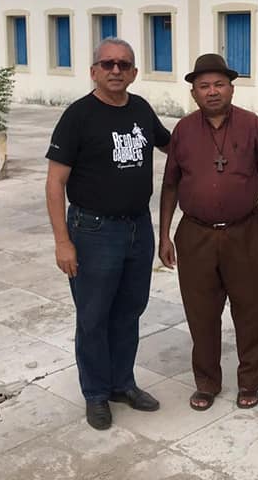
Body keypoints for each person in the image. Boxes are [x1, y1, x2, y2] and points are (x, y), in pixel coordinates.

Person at [44, 37, 171, 431]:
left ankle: (122, 383)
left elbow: (177, 146)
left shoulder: (141, 110)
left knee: (129, 310)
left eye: (124, 64)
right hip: (93, 231)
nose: (116, 70)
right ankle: (96, 393)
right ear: (94, 71)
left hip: (137, 228)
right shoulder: (79, 116)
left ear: (133, 72)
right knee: (94, 316)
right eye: (108, 64)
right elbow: (54, 183)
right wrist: (63, 241)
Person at [159, 53, 258, 411]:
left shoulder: (254, 126)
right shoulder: (182, 130)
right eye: (203, 86)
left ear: (231, 88)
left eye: (219, 84)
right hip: (195, 235)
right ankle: (207, 382)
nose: (212, 91)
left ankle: (249, 383)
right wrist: (164, 234)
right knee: (201, 312)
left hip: (246, 232)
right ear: (194, 93)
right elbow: (169, 185)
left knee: (254, 310)